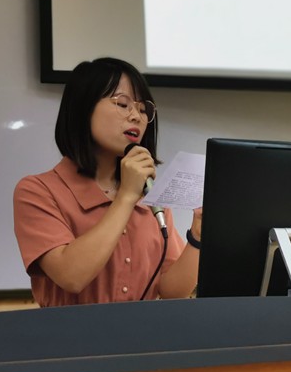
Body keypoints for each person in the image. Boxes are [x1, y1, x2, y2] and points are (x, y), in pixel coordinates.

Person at [13, 57, 201, 307]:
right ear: (83, 109)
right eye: (123, 104)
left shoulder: (149, 196)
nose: (136, 117)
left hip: (142, 332)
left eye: (143, 109)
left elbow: (170, 291)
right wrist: (126, 197)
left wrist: (198, 236)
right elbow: (71, 276)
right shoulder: (38, 191)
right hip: (70, 333)